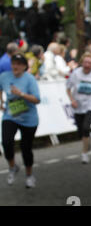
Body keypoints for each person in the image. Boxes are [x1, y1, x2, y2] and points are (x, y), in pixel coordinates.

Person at [0, 53, 40, 188]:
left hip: (29, 119)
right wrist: (1, 102)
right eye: (13, 63)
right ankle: (13, 167)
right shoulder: (4, 76)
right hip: (10, 116)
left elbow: (37, 99)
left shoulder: (30, 79)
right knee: (6, 142)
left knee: (25, 148)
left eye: (18, 64)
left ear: (24, 66)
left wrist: (21, 94)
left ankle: (29, 175)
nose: (15, 66)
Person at [66, 52, 91, 164]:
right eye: (85, 62)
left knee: (86, 127)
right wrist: (72, 100)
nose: (87, 65)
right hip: (78, 105)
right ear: (82, 62)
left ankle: (84, 153)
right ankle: (88, 140)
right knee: (81, 131)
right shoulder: (75, 74)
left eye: (90, 63)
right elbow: (68, 88)